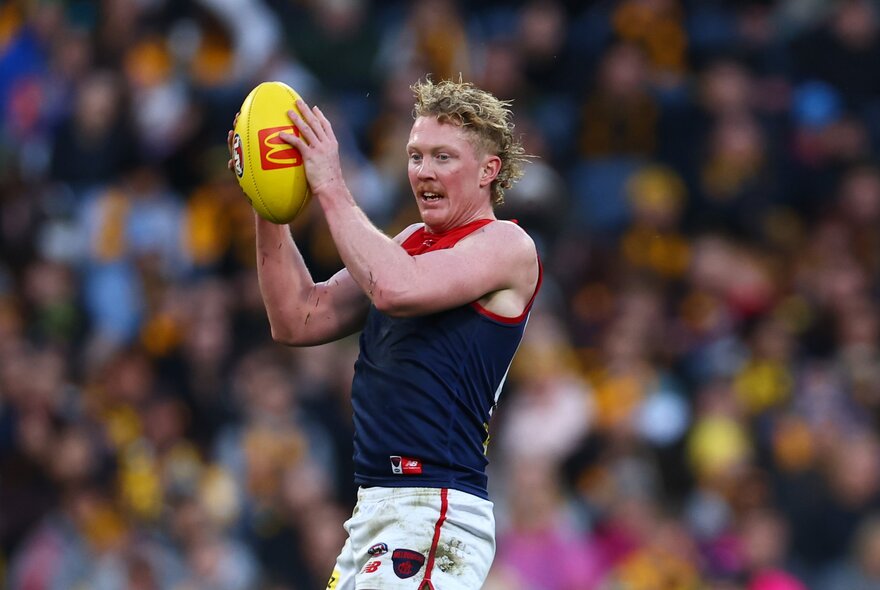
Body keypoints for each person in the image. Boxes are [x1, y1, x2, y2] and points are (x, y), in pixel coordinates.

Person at [228, 78, 541, 589]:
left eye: (443, 157)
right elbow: (297, 316)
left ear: (489, 170)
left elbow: (395, 288)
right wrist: (267, 202)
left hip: (436, 507)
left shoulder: (506, 245)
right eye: (416, 156)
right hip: (374, 510)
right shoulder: (411, 243)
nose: (423, 172)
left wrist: (330, 183)